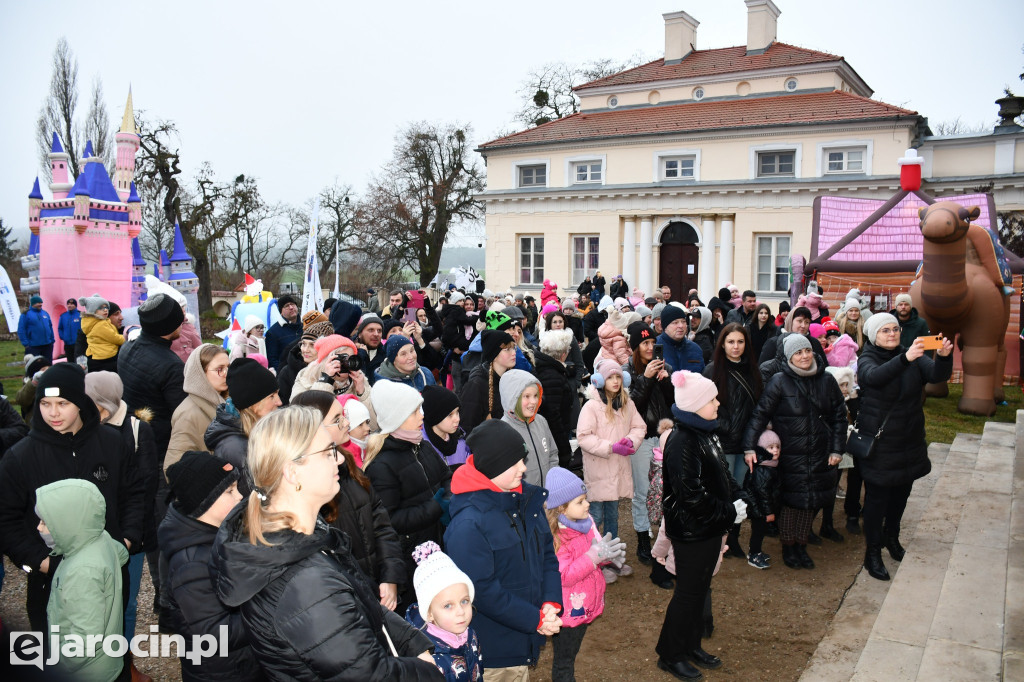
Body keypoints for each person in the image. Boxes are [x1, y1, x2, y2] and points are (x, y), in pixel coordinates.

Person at [209, 406, 441, 680]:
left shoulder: (298, 535)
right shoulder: (305, 584)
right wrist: (430, 672)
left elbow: (359, 601)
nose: (340, 460)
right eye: (329, 451)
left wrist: (412, 643)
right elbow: (368, 675)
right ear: (292, 472)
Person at [0, 363, 143, 632]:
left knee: (110, 649)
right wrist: (41, 562)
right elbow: (7, 519)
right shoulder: (20, 457)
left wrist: (126, 539)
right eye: (45, 403)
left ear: (80, 401)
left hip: (108, 573)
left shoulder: (111, 443)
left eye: (62, 403)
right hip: (50, 582)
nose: (53, 413)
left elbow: (133, 493)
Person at [445, 419, 563, 677]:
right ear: (492, 467)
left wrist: (550, 602)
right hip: (495, 653)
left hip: (524, 637)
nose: (524, 467)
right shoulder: (468, 524)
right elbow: (482, 591)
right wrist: (536, 619)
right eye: (514, 463)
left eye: (523, 459)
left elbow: (547, 556)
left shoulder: (525, 501)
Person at [656, 370, 745, 680]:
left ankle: (690, 645)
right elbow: (691, 494)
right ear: (695, 404)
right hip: (693, 530)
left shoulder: (705, 432)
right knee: (688, 594)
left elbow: (720, 474)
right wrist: (728, 512)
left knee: (699, 590)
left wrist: (739, 495)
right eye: (712, 399)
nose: (718, 403)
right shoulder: (682, 440)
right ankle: (670, 654)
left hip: (708, 527)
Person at [856, 312, 953, 581]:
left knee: (901, 494)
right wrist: (905, 358)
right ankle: (872, 553)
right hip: (882, 443)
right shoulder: (868, 358)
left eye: (895, 329)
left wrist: (943, 356)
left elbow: (935, 376)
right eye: (885, 330)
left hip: (908, 440)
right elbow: (872, 377)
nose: (892, 334)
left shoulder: (912, 355)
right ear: (874, 335)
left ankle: (892, 537)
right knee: (877, 500)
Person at [292, 390, 405, 612]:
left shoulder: (349, 465)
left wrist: (390, 577)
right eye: (336, 419)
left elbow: (381, 523)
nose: (346, 423)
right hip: (348, 602)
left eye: (343, 415)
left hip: (379, 591)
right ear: (313, 429)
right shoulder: (310, 488)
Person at [742, 335, 847, 570]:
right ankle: (788, 547)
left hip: (820, 451)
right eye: (797, 353)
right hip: (790, 454)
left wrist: (837, 448)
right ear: (789, 357)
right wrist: (749, 447)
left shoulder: (827, 380)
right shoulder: (779, 381)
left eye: (807, 351)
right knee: (790, 503)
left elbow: (840, 416)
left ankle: (801, 545)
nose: (804, 356)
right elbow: (760, 414)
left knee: (810, 503)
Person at [159, 451, 264, 681]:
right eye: (229, 491)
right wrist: (266, 613)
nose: (239, 496)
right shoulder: (191, 565)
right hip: (221, 671)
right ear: (203, 502)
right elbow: (213, 633)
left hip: (241, 663)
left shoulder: (219, 536)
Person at [84, 371, 159, 656]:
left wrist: (128, 535)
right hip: (91, 532)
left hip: (128, 534)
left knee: (125, 601)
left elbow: (146, 484)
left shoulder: (138, 429)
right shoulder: (83, 427)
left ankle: (123, 660)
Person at [364, 381, 451, 616]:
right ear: (397, 417)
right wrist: (435, 507)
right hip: (412, 559)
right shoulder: (382, 464)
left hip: (437, 545)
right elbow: (388, 520)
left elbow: (445, 477)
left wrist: (450, 495)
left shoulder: (420, 444)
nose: (422, 416)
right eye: (415, 411)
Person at [36, 479, 130, 682]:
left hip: (85, 672)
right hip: (106, 660)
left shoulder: (82, 571)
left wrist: (59, 664)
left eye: (45, 522)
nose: (39, 528)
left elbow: (84, 640)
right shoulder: (99, 538)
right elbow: (121, 554)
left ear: (67, 521)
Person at [544, 467, 617, 682]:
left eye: (586, 499)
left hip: (581, 607)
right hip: (567, 614)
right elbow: (564, 575)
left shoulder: (582, 526)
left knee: (569, 656)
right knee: (564, 661)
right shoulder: (559, 537)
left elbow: (590, 554)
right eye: (580, 501)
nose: (588, 504)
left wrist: (605, 556)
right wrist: (593, 557)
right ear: (561, 509)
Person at [577, 358, 646, 582]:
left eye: (618, 376)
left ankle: (612, 557)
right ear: (600, 380)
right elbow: (584, 437)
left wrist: (630, 442)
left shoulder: (628, 404)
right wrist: (610, 447)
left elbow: (639, 426)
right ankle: (595, 561)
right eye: (610, 377)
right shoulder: (591, 406)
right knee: (596, 517)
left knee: (613, 515)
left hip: (617, 470)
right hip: (599, 470)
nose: (615, 381)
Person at [704, 322, 763, 559]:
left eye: (740, 342)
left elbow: (758, 407)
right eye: (731, 342)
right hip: (722, 443)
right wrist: (729, 428)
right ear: (723, 344)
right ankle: (716, 539)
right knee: (720, 493)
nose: (735, 347)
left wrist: (749, 434)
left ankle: (733, 539)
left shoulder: (752, 370)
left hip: (746, 444)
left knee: (739, 493)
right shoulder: (712, 370)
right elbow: (705, 407)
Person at [624, 320, 674, 567]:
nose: (650, 347)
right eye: (645, 343)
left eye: (653, 342)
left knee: (665, 489)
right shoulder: (627, 372)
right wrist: (646, 378)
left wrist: (665, 380)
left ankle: (664, 537)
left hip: (664, 437)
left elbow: (674, 402)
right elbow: (631, 407)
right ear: (635, 346)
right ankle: (643, 538)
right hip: (642, 440)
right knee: (642, 492)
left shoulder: (665, 367)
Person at [406, 541, 482, 682]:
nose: (461, 611)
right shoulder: (426, 658)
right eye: (448, 606)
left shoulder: (470, 636)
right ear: (429, 613)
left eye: (464, 601)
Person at [206, 358, 281, 494]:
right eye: (272, 396)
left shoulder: (255, 432)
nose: (279, 402)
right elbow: (252, 499)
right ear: (253, 404)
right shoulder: (236, 448)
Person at [165, 344, 229, 472]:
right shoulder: (188, 414)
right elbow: (173, 467)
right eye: (219, 369)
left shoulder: (227, 403)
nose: (226, 374)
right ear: (200, 373)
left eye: (228, 368)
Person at [499, 369, 559, 488]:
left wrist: (553, 483)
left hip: (547, 494)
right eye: (526, 396)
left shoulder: (541, 421)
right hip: (523, 498)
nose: (533, 402)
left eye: (536, 396)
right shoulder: (503, 430)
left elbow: (552, 454)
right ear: (513, 398)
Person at [458, 329, 517, 434]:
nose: (513, 353)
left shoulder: (510, 378)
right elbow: (467, 426)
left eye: (514, 348)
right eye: (507, 349)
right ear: (493, 355)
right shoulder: (476, 384)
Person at [534, 328, 577, 467]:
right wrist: (564, 448)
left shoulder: (548, 368)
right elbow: (553, 415)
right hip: (554, 442)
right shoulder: (552, 375)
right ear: (563, 354)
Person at [742, 429, 782, 570]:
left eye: (777, 447)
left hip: (760, 507)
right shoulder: (763, 469)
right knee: (758, 532)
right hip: (759, 508)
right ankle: (754, 554)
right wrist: (769, 512)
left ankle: (756, 551)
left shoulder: (769, 465)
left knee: (759, 531)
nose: (775, 450)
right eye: (771, 447)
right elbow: (763, 494)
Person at [279, 316, 336, 404]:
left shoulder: (336, 370)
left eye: (312, 345)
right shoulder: (287, 372)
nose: (305, 350)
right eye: (303, 344)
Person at [420, 385, 471, 474]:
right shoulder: (421, 448)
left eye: (457, 412)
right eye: (450, 415)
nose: (457, 419)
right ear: (434, 417)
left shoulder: (462, 442)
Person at [77, 293, 124, 372]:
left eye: (120, 313)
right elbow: (80, 355)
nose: (121, 317)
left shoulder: (121, 330)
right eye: (116, 314)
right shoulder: (84, 334)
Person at [658, 304, 704, 374]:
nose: (681, 326)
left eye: (683, 321)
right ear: (665, 327)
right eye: (675, 323)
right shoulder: (655, 347)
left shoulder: (695, 349)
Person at [264, 294, 301, 370]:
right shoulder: (273, 332)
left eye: (292, 304)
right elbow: (272, 360)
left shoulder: (305, 327)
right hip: (288, 375)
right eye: (286, 306)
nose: (291, 307)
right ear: (281, 312)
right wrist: (283, 376)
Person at [18, 294, 55, 361]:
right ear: (33, 303)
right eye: (38, 303)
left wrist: (52, 339)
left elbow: (50, 326)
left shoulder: (45, 313)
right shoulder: (25, 314)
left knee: (48, 365)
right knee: (35, 365)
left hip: (48, 345)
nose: (40, 304)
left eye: (41, 303)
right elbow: (21, 330)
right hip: (34, 346)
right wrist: (26, 344)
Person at [354, 312, 388, 381]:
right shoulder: (351, 353)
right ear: (360, 334)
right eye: (371, 330)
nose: (376, 334)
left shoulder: (387, 356)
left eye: (379, 331)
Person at [57, 298, 81, 363]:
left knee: (78, 361)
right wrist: (63, 337)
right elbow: (60, 328)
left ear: (75, 305)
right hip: (67, 343)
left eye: (72, 304)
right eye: (68, 304)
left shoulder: (80, 315)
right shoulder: (63, 316)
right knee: (70, 361)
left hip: (78, 343)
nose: (69, 305)